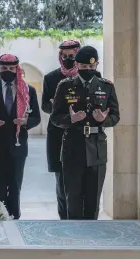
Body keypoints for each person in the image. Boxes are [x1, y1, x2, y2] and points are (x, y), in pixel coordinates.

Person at [51, 46, 120, 220]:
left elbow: (116, 116)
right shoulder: (65, 86)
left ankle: (92, 240)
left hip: (96, 149)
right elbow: (55, 118)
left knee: (93, 200)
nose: (88, 70)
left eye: (91, 67)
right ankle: (74, 239)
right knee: (73, 199)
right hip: (72, 147)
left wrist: (103, 120)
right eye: (84, 67)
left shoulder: (106, 86)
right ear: (77, 65)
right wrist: (71, 119)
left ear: (97, 64)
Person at [42, 40, 99, 220]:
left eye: (71, 56)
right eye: (64, 56)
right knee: (62, 184)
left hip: (83, 137)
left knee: (86, 184)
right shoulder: (51, 78)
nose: (67, 59)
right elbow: (45, 105)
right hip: (58, 135)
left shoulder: (94, 76)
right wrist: (61, 108)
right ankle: (64, 222)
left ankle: (84, 224)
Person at [0, 54, 41, 219]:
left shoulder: (28, 90)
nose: (7, 71)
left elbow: (36, 117)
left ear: (17, 69)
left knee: (15, 183)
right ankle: (0, 213)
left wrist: (25, 122)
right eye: (4, 68)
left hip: (18, 144)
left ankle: (15, 214)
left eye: (11, 68)